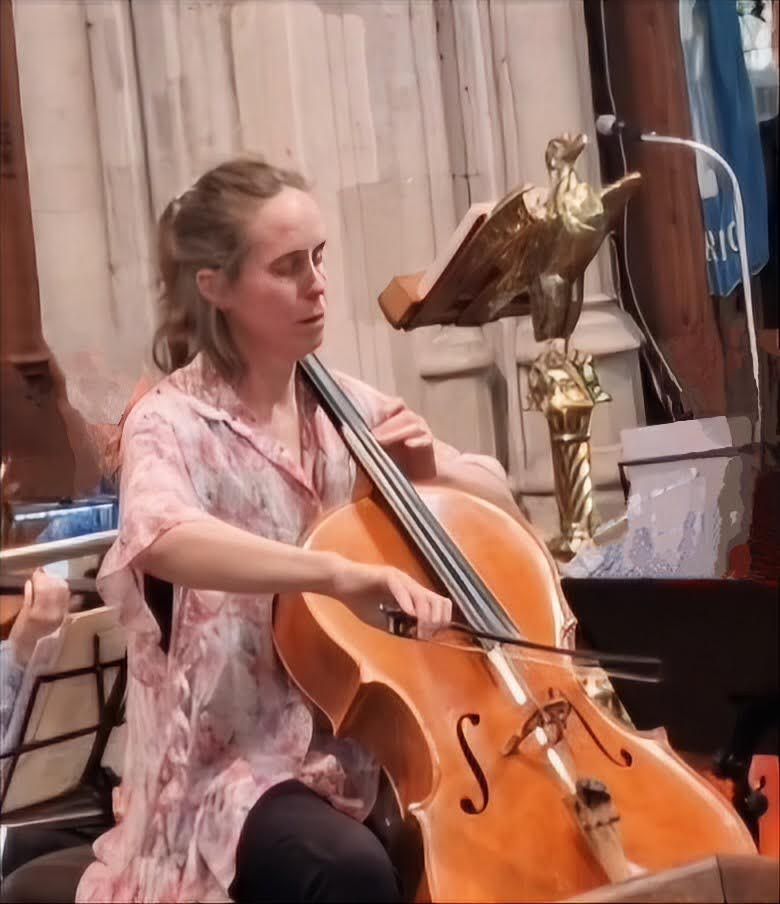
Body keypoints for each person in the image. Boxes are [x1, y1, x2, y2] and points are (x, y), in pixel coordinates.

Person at [74, 157, 523, 904]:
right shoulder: (172, 422)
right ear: (213, 285)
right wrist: (337, 574)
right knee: (345, 870)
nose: (318, 284)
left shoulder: (342, 404)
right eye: (287, 267)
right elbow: (162, 537)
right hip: (230, 772)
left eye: (319, 258)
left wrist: (433, 467)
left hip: (363, 745)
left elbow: (501, 499)